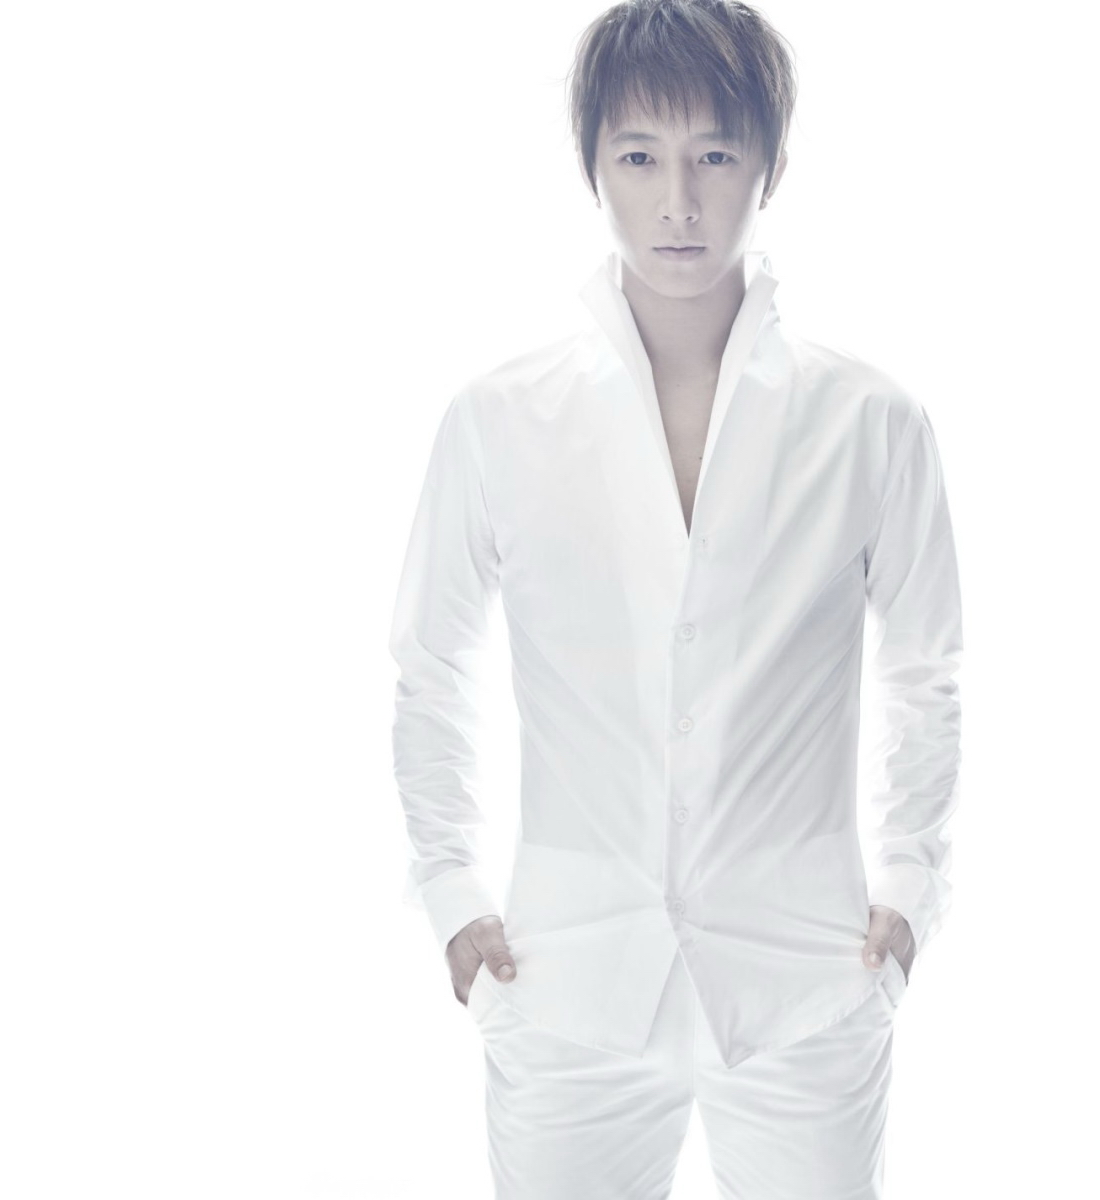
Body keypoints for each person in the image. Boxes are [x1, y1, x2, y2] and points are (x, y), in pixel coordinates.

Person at [385, 1, 963, 1195]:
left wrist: (910, 889)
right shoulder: (498, 419)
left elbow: (927, 668)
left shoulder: (870, 421)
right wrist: (449, 889)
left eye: (715, 155)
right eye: (640, 158)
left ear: (770, 166)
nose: (679, 202)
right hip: (567, 982)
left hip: (804, 982)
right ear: (593, 165)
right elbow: (428, 664)